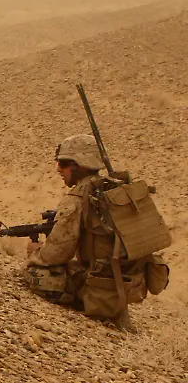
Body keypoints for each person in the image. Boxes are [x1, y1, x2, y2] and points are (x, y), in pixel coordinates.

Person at [23, 134, 169, 329]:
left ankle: (91, 305)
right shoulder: (114, 190)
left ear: (79, 166)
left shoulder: (79, 197)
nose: (59, 169)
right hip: (132, 284)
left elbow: (58, 253)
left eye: (63, 163)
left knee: (34, 274)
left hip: (101, 287)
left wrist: (35, 253)